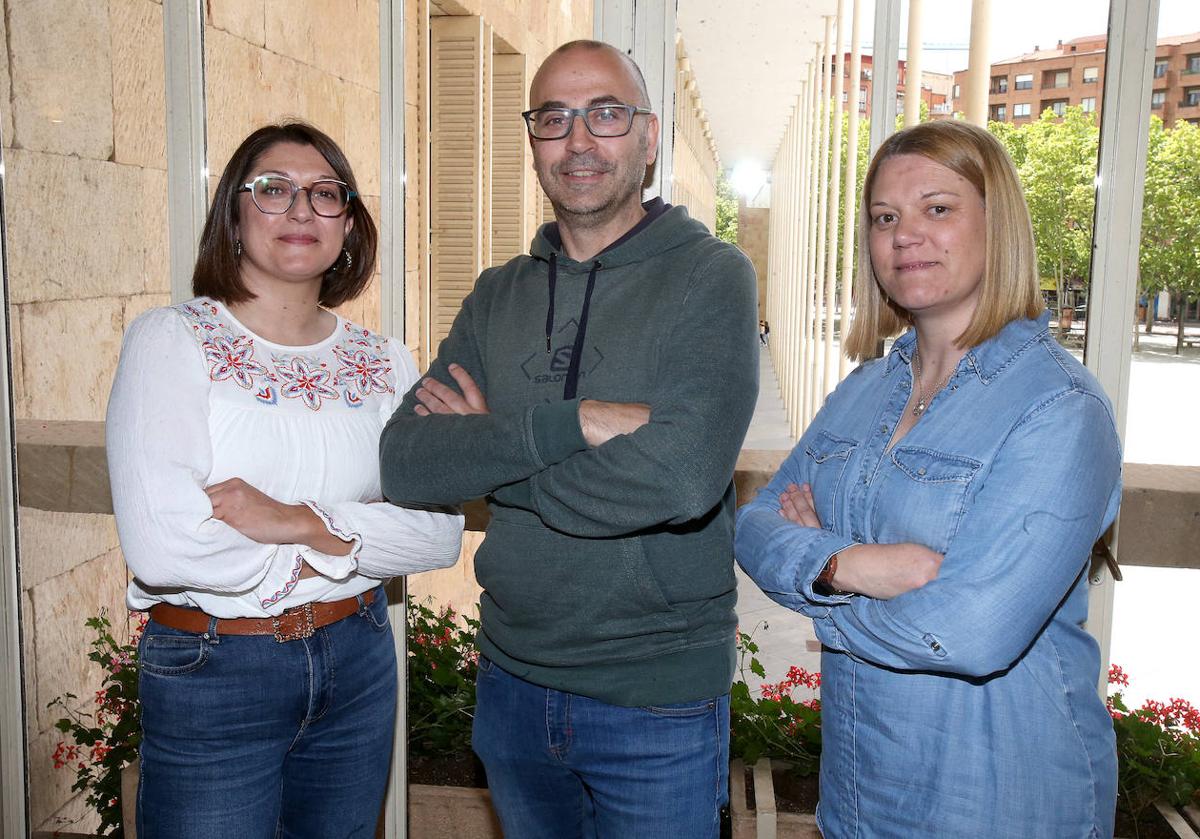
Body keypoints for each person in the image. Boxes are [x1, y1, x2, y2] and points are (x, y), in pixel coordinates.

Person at [378, 40, 758, 839]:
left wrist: (490, 446)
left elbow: (684, 478)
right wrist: (576, 423)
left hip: (655, 696)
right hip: (512, 684)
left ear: (649, 140)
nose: (578, 140)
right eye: (554, 118)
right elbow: (404, 462)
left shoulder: (712, 276)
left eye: (606, 114)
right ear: (533, 143)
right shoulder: (496, 293)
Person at [735, 120, 1121, 838]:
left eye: (937, 208)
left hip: (1001, 803)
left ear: (996, 223)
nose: (905, 234)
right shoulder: (863, 391)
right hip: (858, 796)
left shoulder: (1060, 410)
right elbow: (754, 524)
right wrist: (849, 565)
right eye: (886, 217)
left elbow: (969, 635)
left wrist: (816, 575)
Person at [106, 121, 464, 839]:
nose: (301, 211)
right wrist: (350, 537)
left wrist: (297, 521)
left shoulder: (386, 360)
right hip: (216, 668)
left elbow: (438, 533)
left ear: (349, 225)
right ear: (234, 217)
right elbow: (165, 547)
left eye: (324, 194)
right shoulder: (172, 340)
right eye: (274, 190)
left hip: (358, 659)